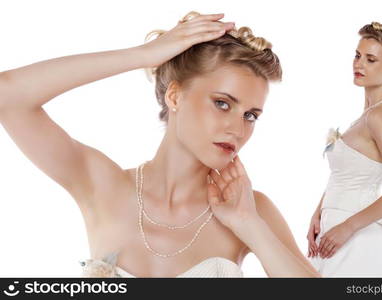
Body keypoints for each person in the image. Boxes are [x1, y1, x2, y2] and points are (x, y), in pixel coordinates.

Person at [0, 11, 319, 278]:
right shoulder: (103, 185)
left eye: (250, 115)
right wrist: (143, 55)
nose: (237, 128)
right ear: (175, 95)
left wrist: (249, 226)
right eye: (222, 103)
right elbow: (8, 95)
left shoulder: (252, 209)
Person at [306, 22, 382, 277]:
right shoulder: (368, 114)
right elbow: (345, 175)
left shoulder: (379, 117)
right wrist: (319, 212)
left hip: (355, 239)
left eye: (370, 60)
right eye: (357, 55)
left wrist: (348, 227)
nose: (358, 64)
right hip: (333, 228)